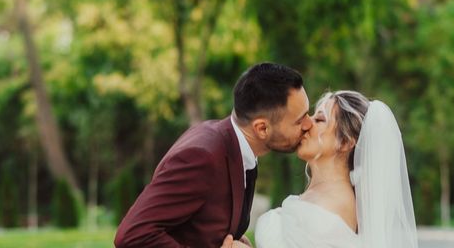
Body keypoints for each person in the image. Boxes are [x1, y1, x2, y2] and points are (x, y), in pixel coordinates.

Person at [115, 62, 313, 248]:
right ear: (261, 128)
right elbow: (133, 234)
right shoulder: (202, 157)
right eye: (299, 120)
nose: (309, 124)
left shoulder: (238, 146)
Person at [243, 90, 418, 248]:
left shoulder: (334, 206)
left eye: (319, 119)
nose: (306, 124)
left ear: (345, 142)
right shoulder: (322, 198)